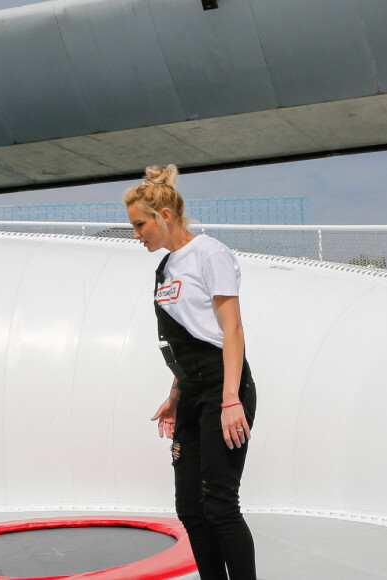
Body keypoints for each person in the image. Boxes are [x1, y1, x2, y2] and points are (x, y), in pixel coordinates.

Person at [125, 165, 257, 580]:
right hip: (192, 392)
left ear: (164, 215)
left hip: (225, 388)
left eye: (139, 224)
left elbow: (230, 330)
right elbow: (185, 337)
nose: (136, 234)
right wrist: (177, 392)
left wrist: (231, 399)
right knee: (190, 508)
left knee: (219, 503)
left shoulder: (209, 253)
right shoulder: (165, 269)